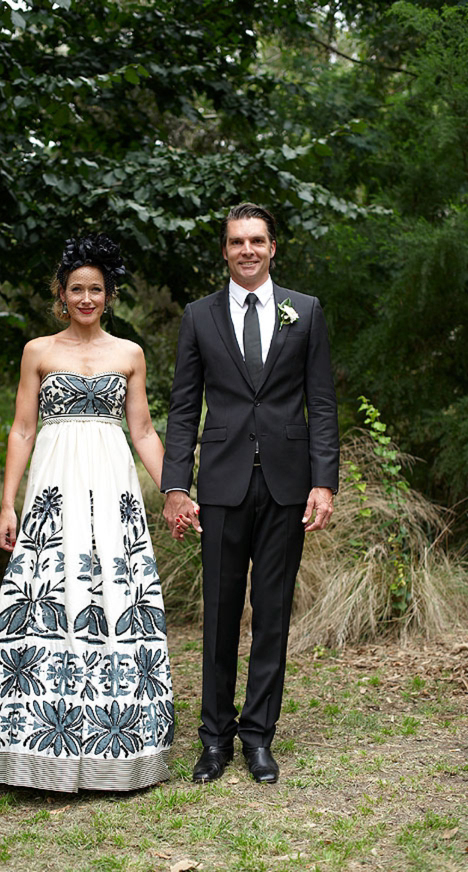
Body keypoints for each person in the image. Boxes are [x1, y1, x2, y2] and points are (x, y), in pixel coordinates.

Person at [0, 234, 181, 792]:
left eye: (96, 289)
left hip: (111, 488)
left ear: (108, 295)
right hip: (54, 489)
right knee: (48, 594)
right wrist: (7, 503)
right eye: (77, 289)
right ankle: (35, 748)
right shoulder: (38, 352)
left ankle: (119, 747)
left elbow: (141, 431)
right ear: (61, 294)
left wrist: (175, 492)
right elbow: (23, 429)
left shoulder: (129, 354)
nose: (86, 298)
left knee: (113, 594)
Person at [161, 203, 339, 784]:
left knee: (273, 615)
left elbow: (323, 403)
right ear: (225, 250)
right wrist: (175, 486)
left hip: (287, 484)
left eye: (256, 240)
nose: (246, 250)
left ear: (272, 247)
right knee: (217, 613)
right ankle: (213, 738)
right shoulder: (199, 316)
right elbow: (184, 408)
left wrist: (323, 480)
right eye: (236, 241)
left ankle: (258, 736)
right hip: (220, 484)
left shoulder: (305, 311)